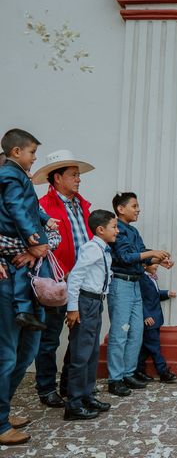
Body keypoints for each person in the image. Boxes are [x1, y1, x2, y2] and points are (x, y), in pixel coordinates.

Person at [31, 149, 95, 408]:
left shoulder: (83, 205)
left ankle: (71, 384)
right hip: (58, 281)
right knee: (50, 337)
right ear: (57, 178)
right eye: (74, 175)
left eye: (78, 175)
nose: (79, 179)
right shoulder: (43, 207)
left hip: (83, 281)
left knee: (80, 336)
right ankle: (46, 388)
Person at [0, 218, 61, 445]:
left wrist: (38, 250)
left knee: (27, 353)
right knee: (7, 356)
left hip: (33, 282)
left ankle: (2, 411)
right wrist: (29, 247)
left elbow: (55, 235)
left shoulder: (31, 203)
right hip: (6, 280)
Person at [107, 192, 172, 397]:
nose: (138, 209)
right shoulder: (117, 229)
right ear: (121, 209)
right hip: (121, 284)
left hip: (136, 284)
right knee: (120, 333)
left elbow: (142, 257)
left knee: (136, 331)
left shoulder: (133, 231)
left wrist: (158, 261)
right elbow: (125, 257)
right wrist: (152, 253)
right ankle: (115, 379)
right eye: (134, 206)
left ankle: (129, 373)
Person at [0, 129, 57, 330]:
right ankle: (40, 304)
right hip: (17, 235)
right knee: (24, 269)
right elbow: (16, 207)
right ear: (16, 151)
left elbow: (31, 208)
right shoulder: (11, 174)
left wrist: (45, 220)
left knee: (23, 271)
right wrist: (28, 233)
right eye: (32, 152)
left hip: (23, 235)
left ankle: (27, 309)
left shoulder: (15, 174)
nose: (34, 158)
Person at [64, 210, 118, 421]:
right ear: (100, 229)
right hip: (85, 303)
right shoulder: (91, 249)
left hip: (96, 302)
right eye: (114, 227)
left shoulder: (103, 249)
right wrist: (73, 308)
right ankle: (74, 404)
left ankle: (87, 395)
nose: (117, 231)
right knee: (81, 354)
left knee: (92, 352)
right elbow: (76, 277)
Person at [133, 262, 177, 384]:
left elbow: (154, 295)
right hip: (150, 319)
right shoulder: (142, 278)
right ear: (144, 265)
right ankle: (163, 372)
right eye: (153, 264)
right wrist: (145, 315)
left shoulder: (151, 277)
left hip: (156, 317)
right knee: (154, 347)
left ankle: (138, 371)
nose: (156, 266)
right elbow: (139, 298)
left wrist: (167, 293)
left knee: (146, 348)